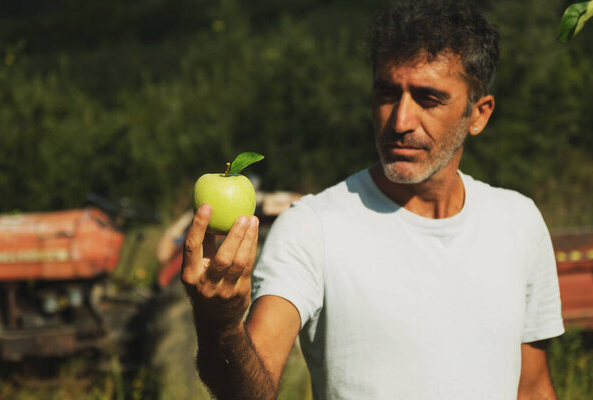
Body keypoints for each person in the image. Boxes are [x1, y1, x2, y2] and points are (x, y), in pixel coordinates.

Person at [180, 1, 565, 399]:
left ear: (478, 114)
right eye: (386, 94)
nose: (400, 121)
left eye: (428, 99)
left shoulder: (518, 222)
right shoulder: (313, 227)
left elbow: (533, 388)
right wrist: (220, 324)